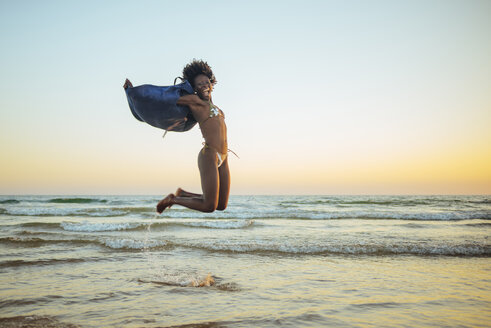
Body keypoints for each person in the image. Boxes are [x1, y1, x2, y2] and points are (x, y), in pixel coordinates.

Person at [123, 59, 230, 213]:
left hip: (224, 158)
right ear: (194, 88)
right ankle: (173, 199)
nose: (204, 85)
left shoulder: (217, 108)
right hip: (210, 155)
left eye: (207, 82)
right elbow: (162, 97)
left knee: (221, 205)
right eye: (200, 84)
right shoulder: (194, 101)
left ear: (212, 83)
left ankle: (184, 194)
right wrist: (133, 92)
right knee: (209, 206)